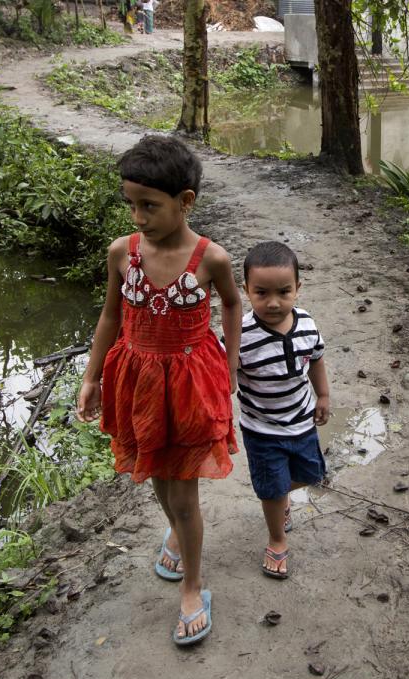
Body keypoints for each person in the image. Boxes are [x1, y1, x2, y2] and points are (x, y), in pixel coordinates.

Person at [77, 135, 241, 646]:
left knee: (183, 490)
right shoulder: (121, 253)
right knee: (154, 473)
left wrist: (230, 364)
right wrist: (92, 375)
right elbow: (110, 315)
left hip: (190, 382)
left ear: (184, 202)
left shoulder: (211, 258)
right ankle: (175, 530)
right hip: (138, 381)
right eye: (131, 205)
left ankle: (193, 589)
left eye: (149, 206)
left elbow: (233, 305)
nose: (138, 217)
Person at [236, 241, 330, 580]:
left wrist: (323, 396)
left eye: (283, 292)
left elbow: (316, 358)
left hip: (302, 421)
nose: (273, 302)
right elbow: (222, 374)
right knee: (273, 489)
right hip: (262, 429)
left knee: (310, 474)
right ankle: (276, 539)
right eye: (261, 293)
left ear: (298, 288)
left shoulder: (306, 323)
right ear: (246, 290)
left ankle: (278, 496)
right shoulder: (240, 335)